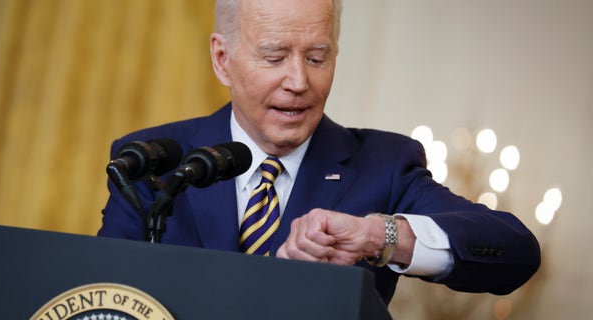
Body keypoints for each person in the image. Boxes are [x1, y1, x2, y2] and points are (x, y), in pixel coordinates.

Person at [98, 0, 541, 304]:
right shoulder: (154, 162)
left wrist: (378, 237)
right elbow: (99, 290)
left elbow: (515, 250)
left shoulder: (383, 166)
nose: (298, 82)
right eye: (274, 57)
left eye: (317, 57)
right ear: (222, 59)